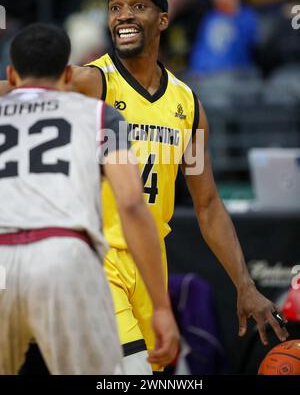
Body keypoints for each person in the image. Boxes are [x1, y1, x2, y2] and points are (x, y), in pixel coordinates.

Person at [0, 0, 289, 375]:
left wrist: (245, 284)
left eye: (137, 6)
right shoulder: (91, 82)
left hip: (148, 264)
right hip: (96, 258)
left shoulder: (187, 104)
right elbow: (20, 89)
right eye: (115, 7)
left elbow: (206, 205)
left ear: (163, 20)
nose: (123, 15)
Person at [0, 23, 179, 375]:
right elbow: (130, 203)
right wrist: (161, 305)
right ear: (69, 74)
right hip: (64, 257)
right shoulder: (100, 115)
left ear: (11, 74)